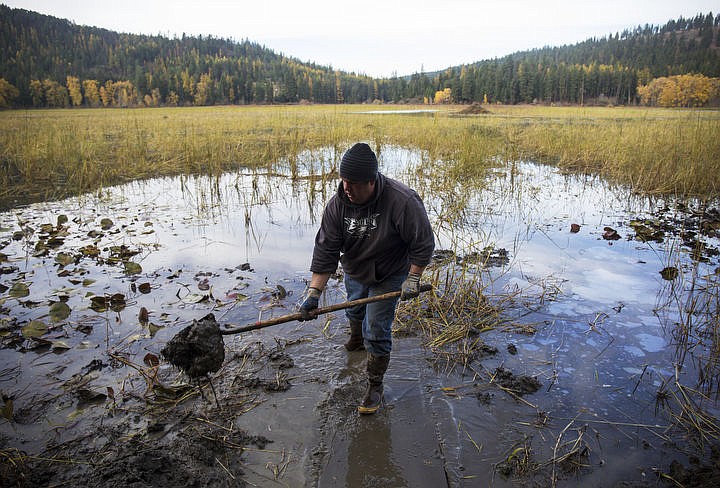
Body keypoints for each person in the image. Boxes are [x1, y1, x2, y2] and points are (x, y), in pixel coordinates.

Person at [299, 142, 435, 415]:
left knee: (377, 326)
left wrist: (413, 278)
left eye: (354, 183)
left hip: (390, 272)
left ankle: (375, 385)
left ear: (371, 182)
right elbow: (325, 251)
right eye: (344, 181)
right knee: (355, 306)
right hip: (356, 269)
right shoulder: (337, 205)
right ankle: (355, 339)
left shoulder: (402, 200)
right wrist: (313, 293)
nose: (346, 188)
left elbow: (423, 244)